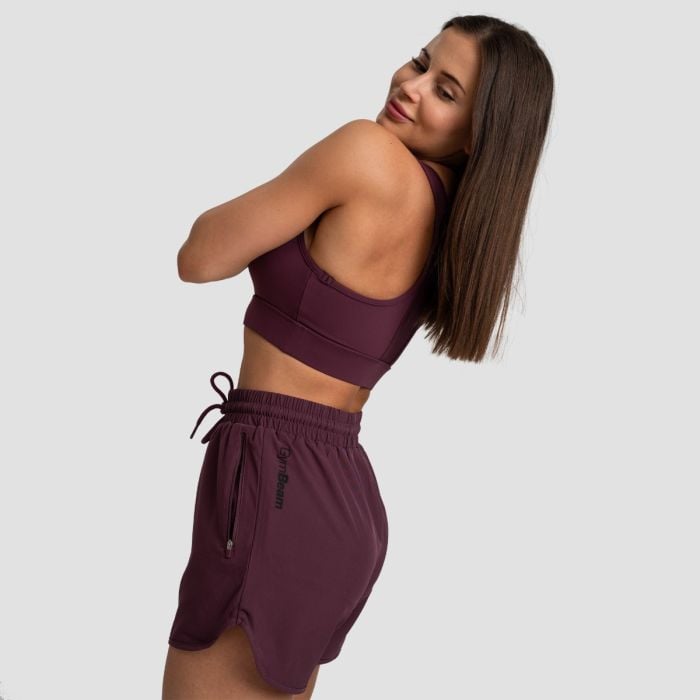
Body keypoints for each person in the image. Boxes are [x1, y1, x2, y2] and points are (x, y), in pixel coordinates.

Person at [162, 14, 554, 700]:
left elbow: (199, 256)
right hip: (336, 494)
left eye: (447, 92)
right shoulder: (457, 221)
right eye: (420, 62)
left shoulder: (366, 155)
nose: (411, 86)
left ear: (477, 134)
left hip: (273, 479)